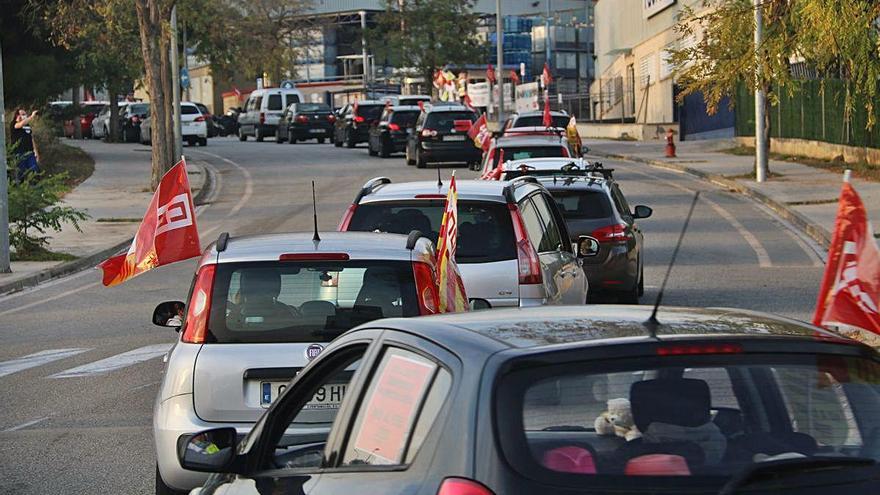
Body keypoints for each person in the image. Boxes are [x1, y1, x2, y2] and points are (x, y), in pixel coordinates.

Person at [10, 108, 41, 181]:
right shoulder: (14, 124)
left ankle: (35, 189)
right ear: (18, 116)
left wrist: (36, 151)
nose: (25, 116)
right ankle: (20, 189)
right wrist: (31, 116)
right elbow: (20, 124)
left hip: (29, 153)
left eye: (25, 114)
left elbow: (31, 138)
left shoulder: (27, 125)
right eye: (23, 114)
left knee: (35, 170)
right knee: (20, 173)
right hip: (19, 153)